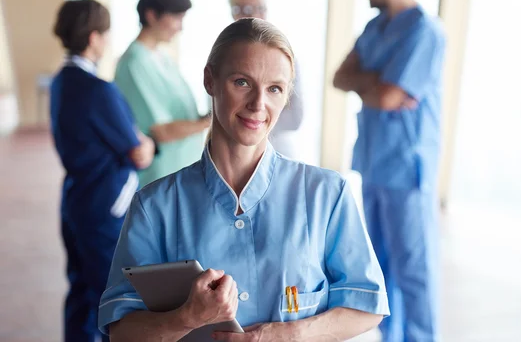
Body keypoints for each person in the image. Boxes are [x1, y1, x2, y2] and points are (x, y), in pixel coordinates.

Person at [98, 18, 389, 341]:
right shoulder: (154, 207)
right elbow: (121, 331)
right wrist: (187, 317)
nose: (258, 104)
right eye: (242, 82)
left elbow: (367, 306)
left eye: (274, 89)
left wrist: (285, 334)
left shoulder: (326, 195)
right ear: (210, 80)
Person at [333, 0, 446, 342]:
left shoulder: (425, 32)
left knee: (414, 270)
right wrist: (377, 82)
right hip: (375, 164)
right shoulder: (375, 28)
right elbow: (341, 77)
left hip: (406, 167)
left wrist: (375, 84)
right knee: (380, 267)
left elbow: (387, 97)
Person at [50, 0, 155, 342]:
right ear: (94, 38)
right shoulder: (99, 90)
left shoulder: (60, 83)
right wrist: (151, 144)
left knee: (80, 292)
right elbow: (137, 151)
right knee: (110, 298)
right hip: (103, 206)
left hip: (75, 199)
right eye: (106, 34)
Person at [115, 0, 210, 188]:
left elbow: (182, 115)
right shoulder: (135, 62)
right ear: (151, 15)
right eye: (177, 18)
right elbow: (161, 131)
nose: (181, 27)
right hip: (161, 177)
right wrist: (211, 122)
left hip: (182, 170)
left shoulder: (161, 56)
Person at [228, 0, 304, 159]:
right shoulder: (222, 56)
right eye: (246, 9)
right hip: (235, 157)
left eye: (260, 8)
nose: (255, 15)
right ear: (234, 12)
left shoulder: (285, 56)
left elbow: (295, 118)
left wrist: (249, 124)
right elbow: (218, 114)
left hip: (277, 152)